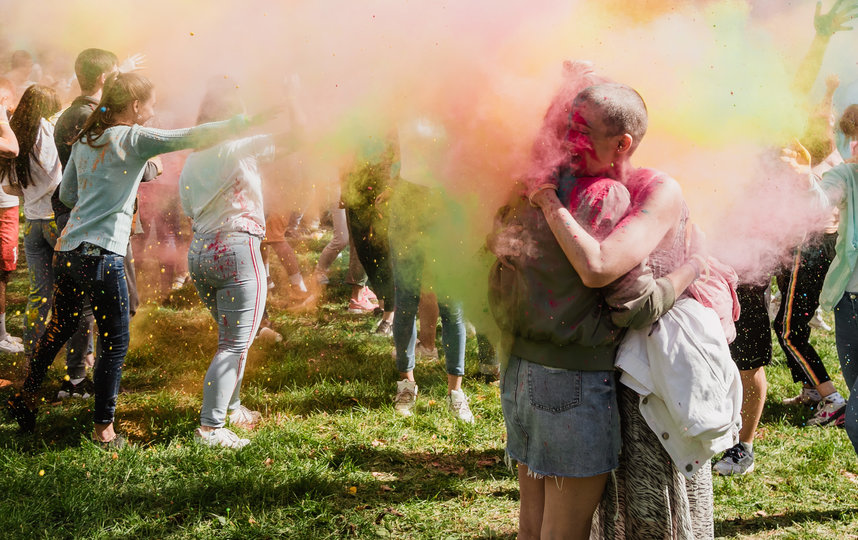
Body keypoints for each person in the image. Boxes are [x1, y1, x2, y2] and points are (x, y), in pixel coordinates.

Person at [491, 67, 702, 538]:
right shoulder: (606, 194)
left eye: (580, 133)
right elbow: (631, 302)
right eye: (570, 130)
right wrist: (694, 267)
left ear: (622, 143)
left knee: (531, 528)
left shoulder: (533, 182)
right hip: (571, 383)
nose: (569, 143)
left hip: (521, 371)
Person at [5, 72, 265, 446]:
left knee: (60, 326)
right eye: (151, 103)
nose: (154, 110)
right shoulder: (133, 137)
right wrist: (245, 122)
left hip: (68, 251)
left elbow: (67, 193)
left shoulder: (85, 140)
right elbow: (192, 136)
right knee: (115, 342)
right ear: (136, 106)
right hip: (102, 256)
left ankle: (25, 397)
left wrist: (100, 199)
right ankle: (104, 431)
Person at [713, 0, 858, 476]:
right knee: (736, 351)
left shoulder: (773, 129)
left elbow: (798, 87)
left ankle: (744, 445)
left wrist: (818, 41)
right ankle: (726, 435)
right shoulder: (713, 128)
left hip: (770, 248)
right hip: (731, 252)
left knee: (767, 343)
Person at [180, 84, 291, 449]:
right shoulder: (238, 147)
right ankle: (210, 429)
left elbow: (187, 207)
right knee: (233, 343)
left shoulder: (193, 159)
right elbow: (295, 138)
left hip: (200, 253)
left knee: (232, 340)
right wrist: (292, 98)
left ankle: (234, 408)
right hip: (237, 251)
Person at [51, 48, 120, 397]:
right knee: (89, 307)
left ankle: (85, 368)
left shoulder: (77, 113)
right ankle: (79, 378)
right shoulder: (86, 116)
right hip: (88, 221)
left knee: (87, 305)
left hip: (84, 218)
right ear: (106, 79)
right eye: (118, 75)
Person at [0, 85, 62, 363]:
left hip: (33, 223)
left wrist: (29, 195)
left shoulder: (17, 131)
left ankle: (32, 356)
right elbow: (54, 175)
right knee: (68, 292)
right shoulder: (44, 131)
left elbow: (9, 186)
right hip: (54, 220)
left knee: (39, 293)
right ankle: (72, 358)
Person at [0, 76, 22, 355]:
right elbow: (12, 149)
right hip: (2, 206)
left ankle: (2, 333)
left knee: (4, 272)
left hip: (6, 203)